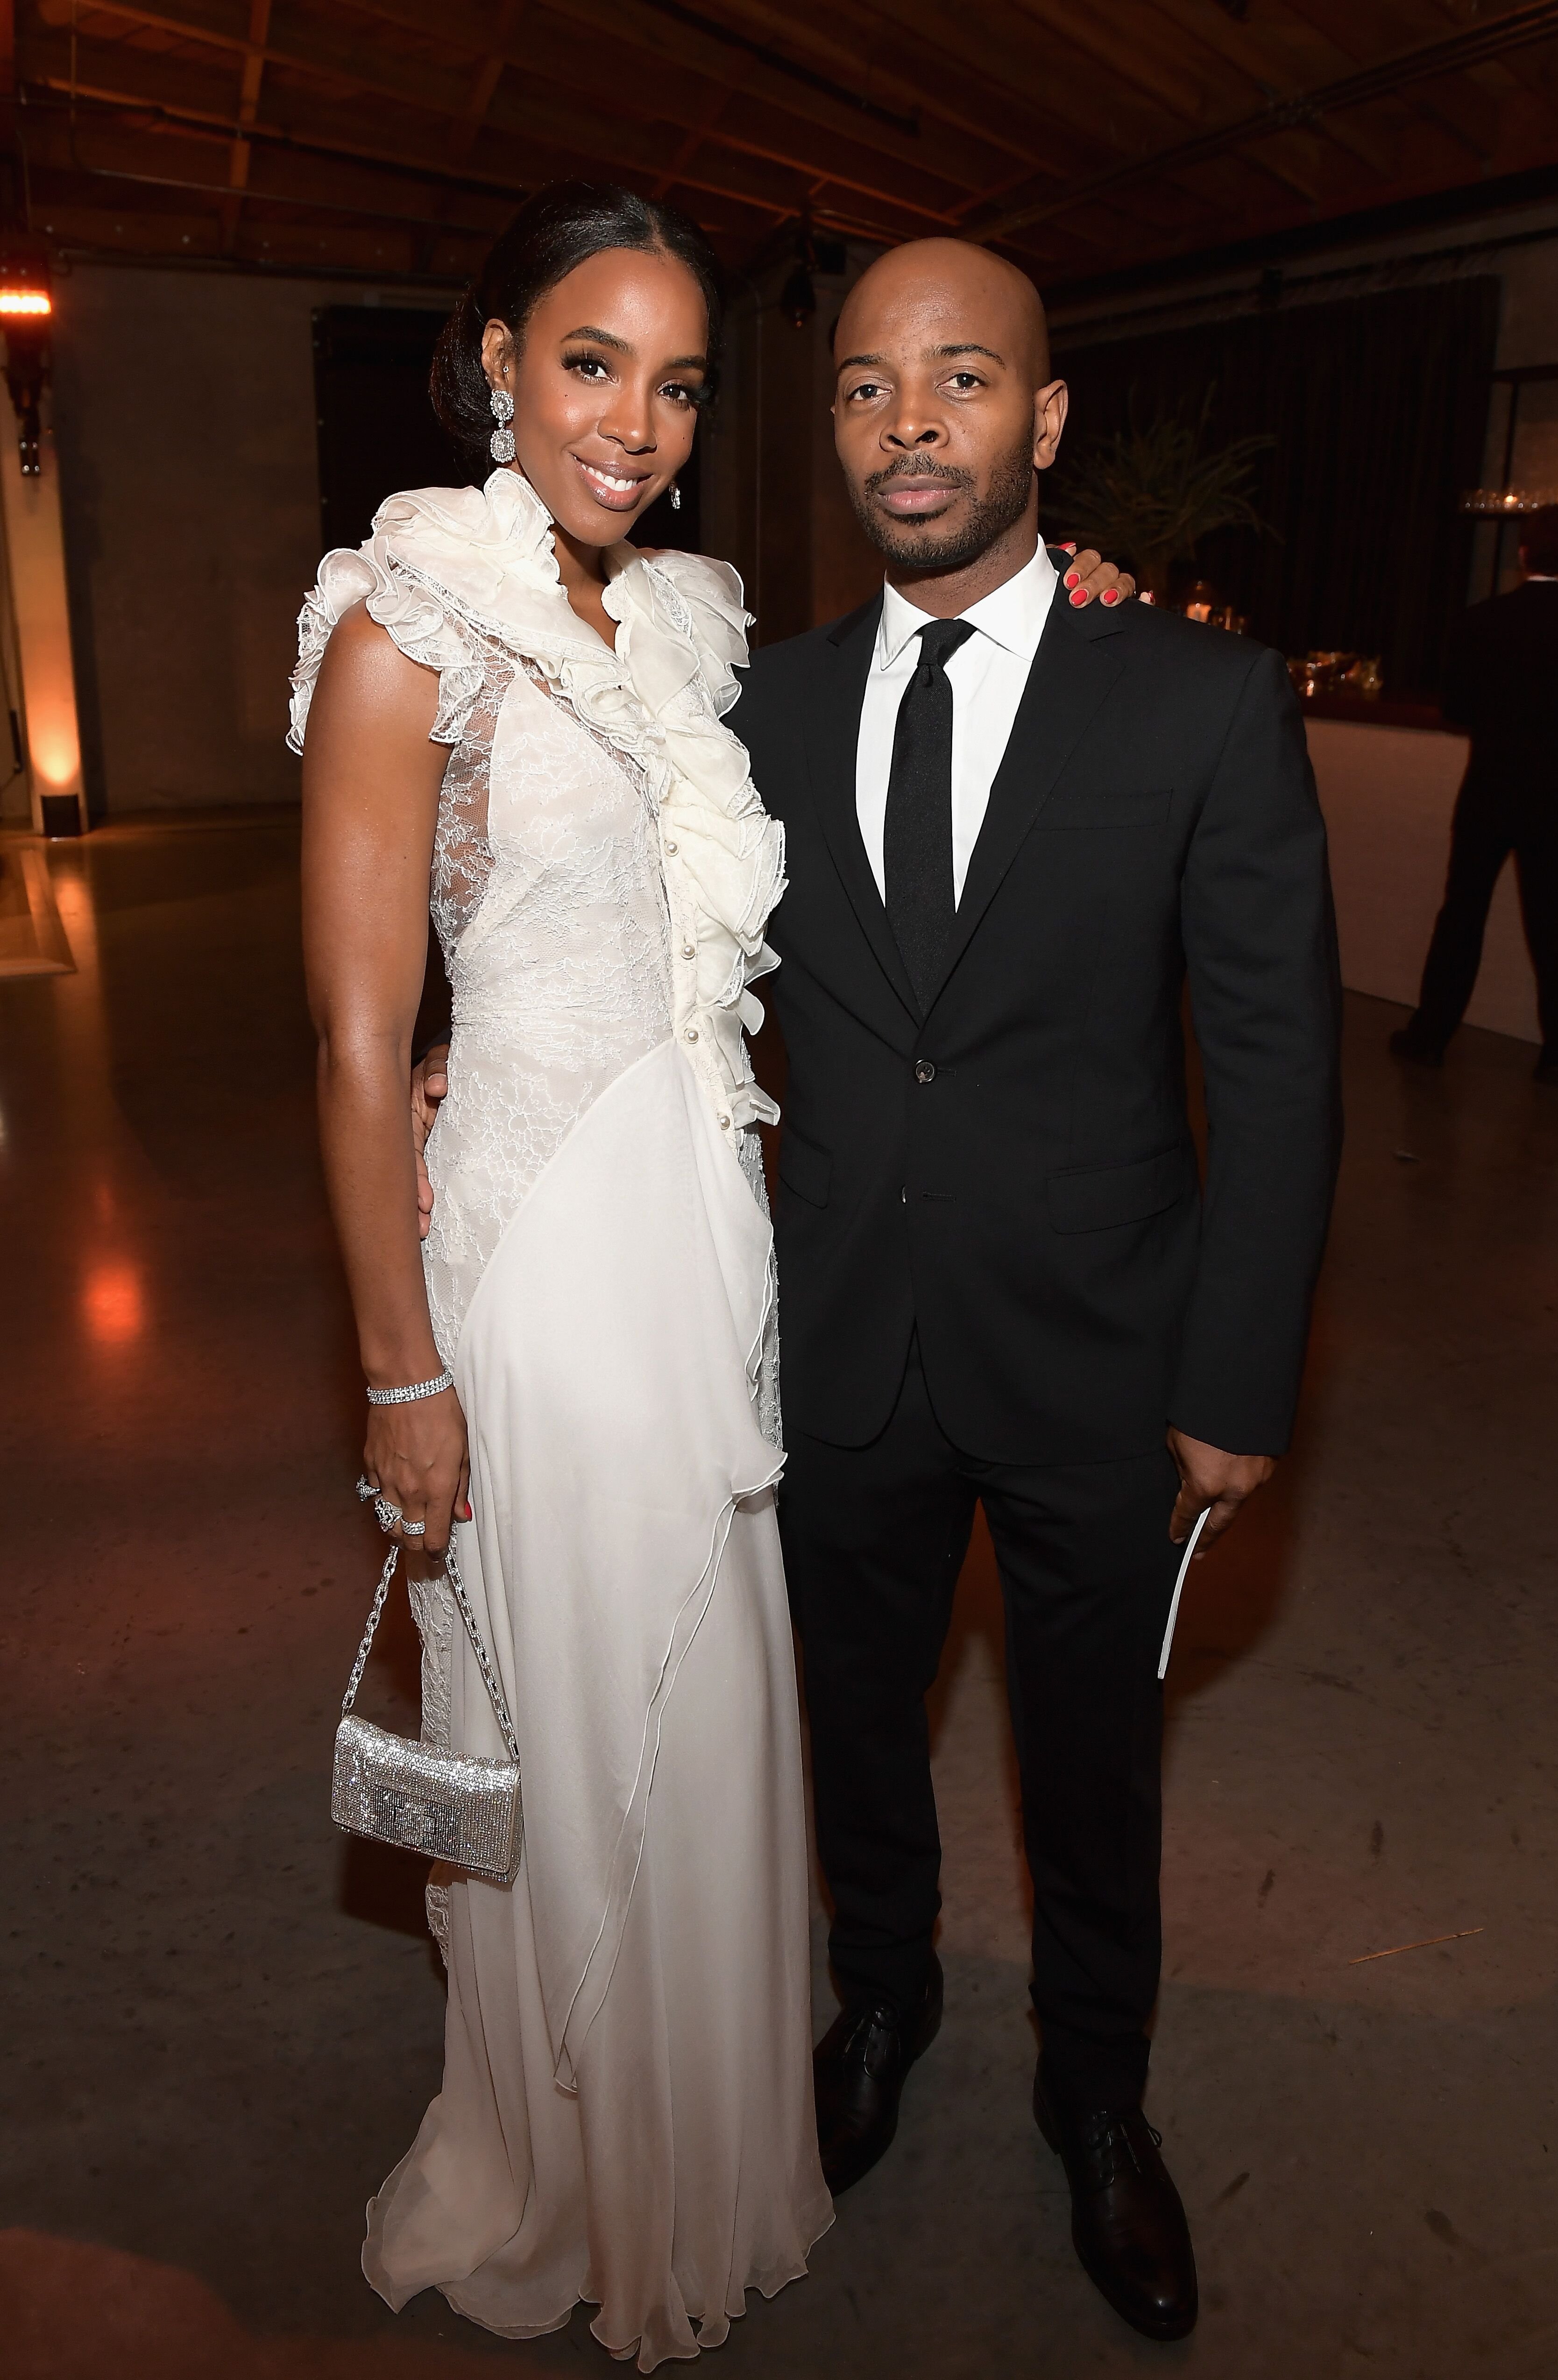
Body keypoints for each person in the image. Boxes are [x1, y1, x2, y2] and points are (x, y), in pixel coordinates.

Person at [415, 231, 1341, 2350]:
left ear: (1045, 416)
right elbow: (623, 914)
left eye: (960, 380)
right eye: (860, 385)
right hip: (827, 1341)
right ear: (825, 419)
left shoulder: (1196, 698)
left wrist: (1238, 1376)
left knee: (1096, 1769)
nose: (909, 423)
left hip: (1108, 1359)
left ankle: (1099, 2110)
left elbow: (1281, 1071)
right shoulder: (759, 698)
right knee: (855, 1737)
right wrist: (470, 1041)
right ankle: (882, 2009)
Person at [296, 184, 839, 2369]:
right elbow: (352, 1036)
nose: (636, 415)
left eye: (679, 377)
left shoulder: (683, 624)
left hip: (694, 1227)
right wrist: (396, 1370)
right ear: (498, 355)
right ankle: (581, 2162)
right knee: (575, 1706)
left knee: (700, 1688)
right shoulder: (409, 612)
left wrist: (1073, 599)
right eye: (592, 357)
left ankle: (700, 2141)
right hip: (526, 1258)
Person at [1391, 503, 1558, 1084]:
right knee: (1557, 925)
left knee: (1461, 914)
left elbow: (1456, 709)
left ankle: (1430, 1033)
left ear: (1521, 552)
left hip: (1490, 786)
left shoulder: (1480, 620)